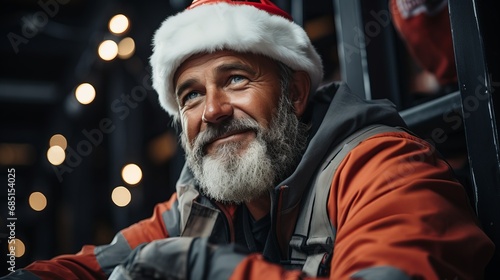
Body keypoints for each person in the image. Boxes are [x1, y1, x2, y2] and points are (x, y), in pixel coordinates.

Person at [3, 0, 494, 279]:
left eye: (235, 79)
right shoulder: (200, 206)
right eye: (191, 95)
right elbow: (91, 267)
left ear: (296, 91)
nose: (213, 110)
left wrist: (206, 270)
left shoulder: (383, 169)